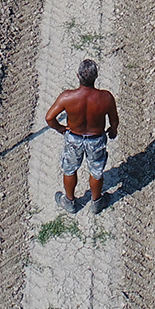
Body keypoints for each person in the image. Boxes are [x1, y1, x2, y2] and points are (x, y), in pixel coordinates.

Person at [45, 58, 119, 214]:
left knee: (70, 169)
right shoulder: (106, 98)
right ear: (96, 77)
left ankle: (69, 202)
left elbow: (49, 118)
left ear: (77, 76)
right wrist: (113, 130)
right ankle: (96, 202)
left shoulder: (67, 97)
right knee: (96, 171)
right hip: (96, 139)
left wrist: (61, 129)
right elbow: (114, 120)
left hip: (74, 138)